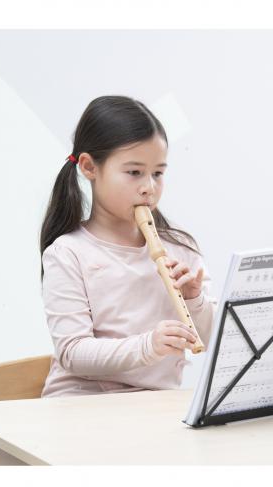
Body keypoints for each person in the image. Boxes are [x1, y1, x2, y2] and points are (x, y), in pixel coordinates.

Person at [38, 95, 216, 397]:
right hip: (81, 405)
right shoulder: (67, 253)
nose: (149, 187)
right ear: (89, 167)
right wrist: (148, 346)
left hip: (151, 406)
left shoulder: (180, 248)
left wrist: (195, 300)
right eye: (134, 172)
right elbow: (72, 352)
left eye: (158, 173)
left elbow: (213, 340)